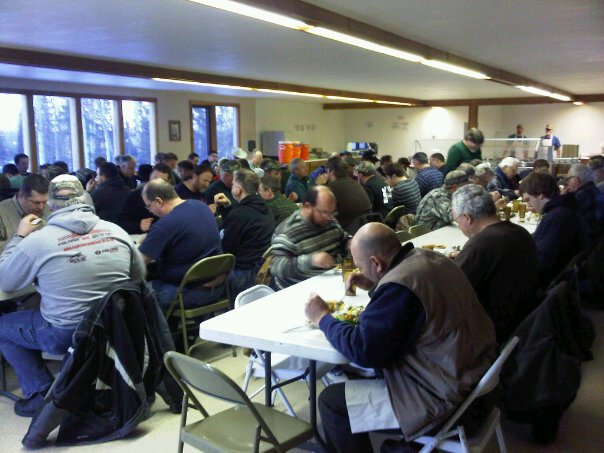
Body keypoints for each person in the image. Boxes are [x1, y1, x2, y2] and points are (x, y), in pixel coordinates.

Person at [305, 223, 496, 452]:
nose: (359, 270)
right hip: (476, 379)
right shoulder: (432, 259)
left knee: (332, 401)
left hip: (446, 400)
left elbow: (363, 350)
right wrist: (377, 283)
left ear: (376, 263)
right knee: (359, 374)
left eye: (361, 266)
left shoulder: (400, 287)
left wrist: (322, 318)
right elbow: (407, 312)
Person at [0, 174, 145, 416]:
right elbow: (138, 279)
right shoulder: (117, 231)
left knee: (3, 326)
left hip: (65, 331)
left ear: (50, 203)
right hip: (114, 326)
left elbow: (5, 279)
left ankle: (41, 391)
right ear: (85, 197)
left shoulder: (37, 240)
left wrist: (20, 236)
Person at [451, 185, 539, 343]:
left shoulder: (480, 245)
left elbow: (450, 289)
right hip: (528, 320)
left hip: (496, 330)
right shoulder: (520, 231)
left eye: (457, 221)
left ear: (467, 218)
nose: (459, 226)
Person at [139, 179, 221, 309]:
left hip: (188, 292)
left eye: (148, 206)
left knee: (135, 296)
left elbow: (138, 264)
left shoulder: (165, 225)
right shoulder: (201, 206)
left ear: (159, 201)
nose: (149, 211)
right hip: (218, 285)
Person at [271, 186, 348, 289]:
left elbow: (343, 238)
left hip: (331, 282)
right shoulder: (287, 232)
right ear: (307, 207)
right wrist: (311, 260)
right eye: (325, 212)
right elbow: (277, 267)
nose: (330, 217)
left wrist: (351, 242)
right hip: (301, 289)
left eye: (332, 212)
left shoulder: (329, 221)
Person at [521, 172, 588, 288]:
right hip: (559, 278)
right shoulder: (564, 207)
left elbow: (543, 261)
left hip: (551, 284)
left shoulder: (558, 217)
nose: (528, 205)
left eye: (528, 199)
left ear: (540, 194)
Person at [221, 170, 274, 300]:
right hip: (265, 268)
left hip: (244, 274)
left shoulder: (239, 214)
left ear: (239, 189)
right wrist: (227, 208)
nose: (231, 187)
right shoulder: (266, 207)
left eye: (233, 185)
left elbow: (227, 251)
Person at [116, 163, 172, 234]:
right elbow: (121, 222)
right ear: (150, 177)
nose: (157, 183)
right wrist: (138, 225)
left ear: (168, 182)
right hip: (142, 236)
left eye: (163, 181)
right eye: (155, 178)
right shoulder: (136, 196)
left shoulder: (172, 197)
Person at [0, 174, 50, 252]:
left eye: (44, 202)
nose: (41, 207)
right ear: (21, 195)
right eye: (36, 202)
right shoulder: (2, 212)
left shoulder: (49, 209)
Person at [326, 158, 372, 231]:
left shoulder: (332, 187)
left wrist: (317, 185)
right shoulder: (355, 183)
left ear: (331, 172)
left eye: (327, 171)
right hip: (366, 227)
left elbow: (319, 208)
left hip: (351, 230)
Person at [565, 163, 604, 244]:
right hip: (597, 241)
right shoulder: (595, 190)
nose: (567, 183)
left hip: (586, 243)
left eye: (568, 180)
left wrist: (562, 198)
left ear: (576, 181)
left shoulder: (579, 197)